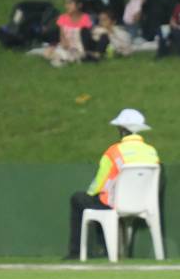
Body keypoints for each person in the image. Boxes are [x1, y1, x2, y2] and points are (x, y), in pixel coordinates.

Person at [65, 109, 159, 260]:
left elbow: (99, 183)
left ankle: (77, 252)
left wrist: (91, 195)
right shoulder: (151, 151)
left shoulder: (114, 151)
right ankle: (107, 249)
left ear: (122, 129)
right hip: (144, 204)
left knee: (81, 199)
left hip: (116, 204)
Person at [27, 0, 92, 67]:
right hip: (65, 47)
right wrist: (64, 44)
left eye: (70, 3)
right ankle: (56, 58)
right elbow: (62, 36)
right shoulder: (63, 18)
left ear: (79, 5)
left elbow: (87, 37)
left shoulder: (85, 18)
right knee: (50, 51)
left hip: (79, 49)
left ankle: (59, 59)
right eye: (66, 3)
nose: (67, 6)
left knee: (62, 54)